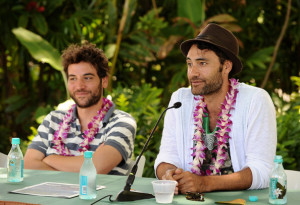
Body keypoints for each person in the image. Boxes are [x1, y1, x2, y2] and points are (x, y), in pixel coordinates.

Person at [154, 23, 277, 194]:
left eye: (202, 63)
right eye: (189, 64)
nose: (193, 73)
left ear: (226, 66)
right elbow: (166, 157)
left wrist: (203, 184)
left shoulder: (255, 100)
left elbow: (262, 170)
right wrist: (168, 175)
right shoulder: (180, 100)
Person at [24, 42, 136, 175]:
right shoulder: (53, 120)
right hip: (48, 195)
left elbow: (96, 168)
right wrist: (83, 166)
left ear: (104, 81)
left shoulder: (121, 122)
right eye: (73, 78)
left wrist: (49, 159)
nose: (79, 86)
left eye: (87, 78)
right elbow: (28, 164)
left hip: (99, 196)